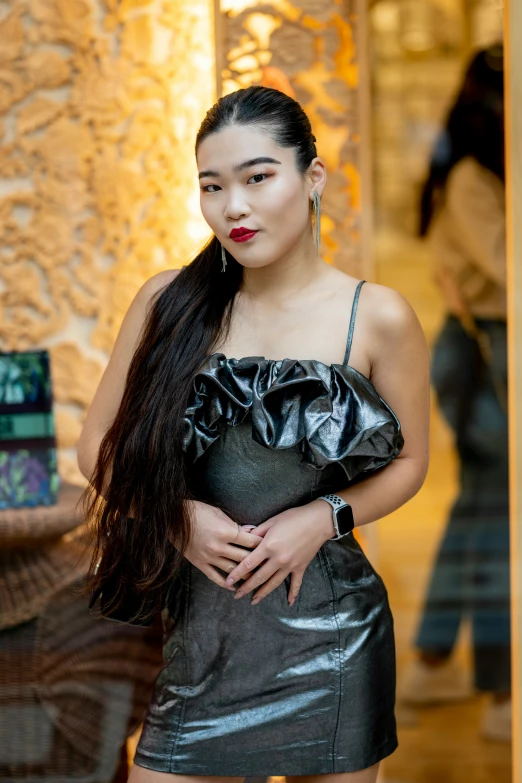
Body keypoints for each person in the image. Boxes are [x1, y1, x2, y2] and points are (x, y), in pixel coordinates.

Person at [77, 86, 430, 783]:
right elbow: (98, 449)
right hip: (200, 646)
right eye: (212, 186)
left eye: (257, 177)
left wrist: (320, 518)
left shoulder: (378, 316)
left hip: (332, 644)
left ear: (313, 178)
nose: (232, 206)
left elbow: (413, 460)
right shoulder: (166, 303)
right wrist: (176, 518)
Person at [399, 44, 510, 742]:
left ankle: (436, 655)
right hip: (483, 349)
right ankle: (501, 688)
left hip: (482, 348)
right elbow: (506, 271)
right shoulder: (473, 174)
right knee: (494, 511)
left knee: (480, 506)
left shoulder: (475, 168)